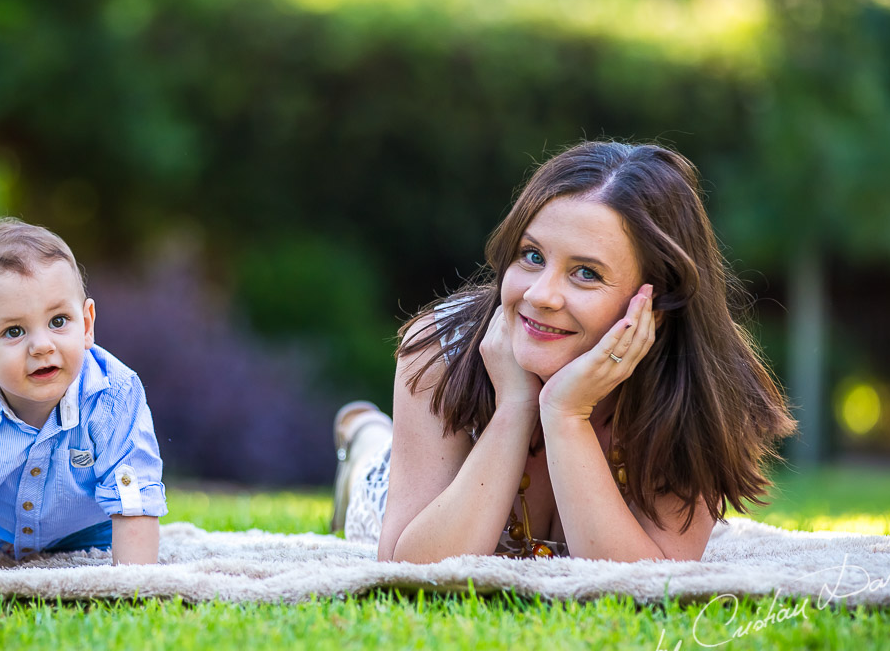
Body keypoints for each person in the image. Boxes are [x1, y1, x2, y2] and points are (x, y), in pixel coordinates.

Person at [333, 141, 794, 563]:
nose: (541, 295)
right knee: (375, 472)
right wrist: (514, 407)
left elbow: (654, 581)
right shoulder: (439, 351)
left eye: (586, 273)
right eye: (532, 256)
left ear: (655, 303)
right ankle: (365, 440)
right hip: (400, 483)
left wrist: (565, 415)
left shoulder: (699, 386)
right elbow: (410, 566)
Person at [0, 218, 166, 567]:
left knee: (128, 529)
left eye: (57, 321)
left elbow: (134, 491)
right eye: (14, 330)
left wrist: (134, 582)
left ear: (87, 323)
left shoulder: (114, 396)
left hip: (86, 528)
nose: (41, 346)